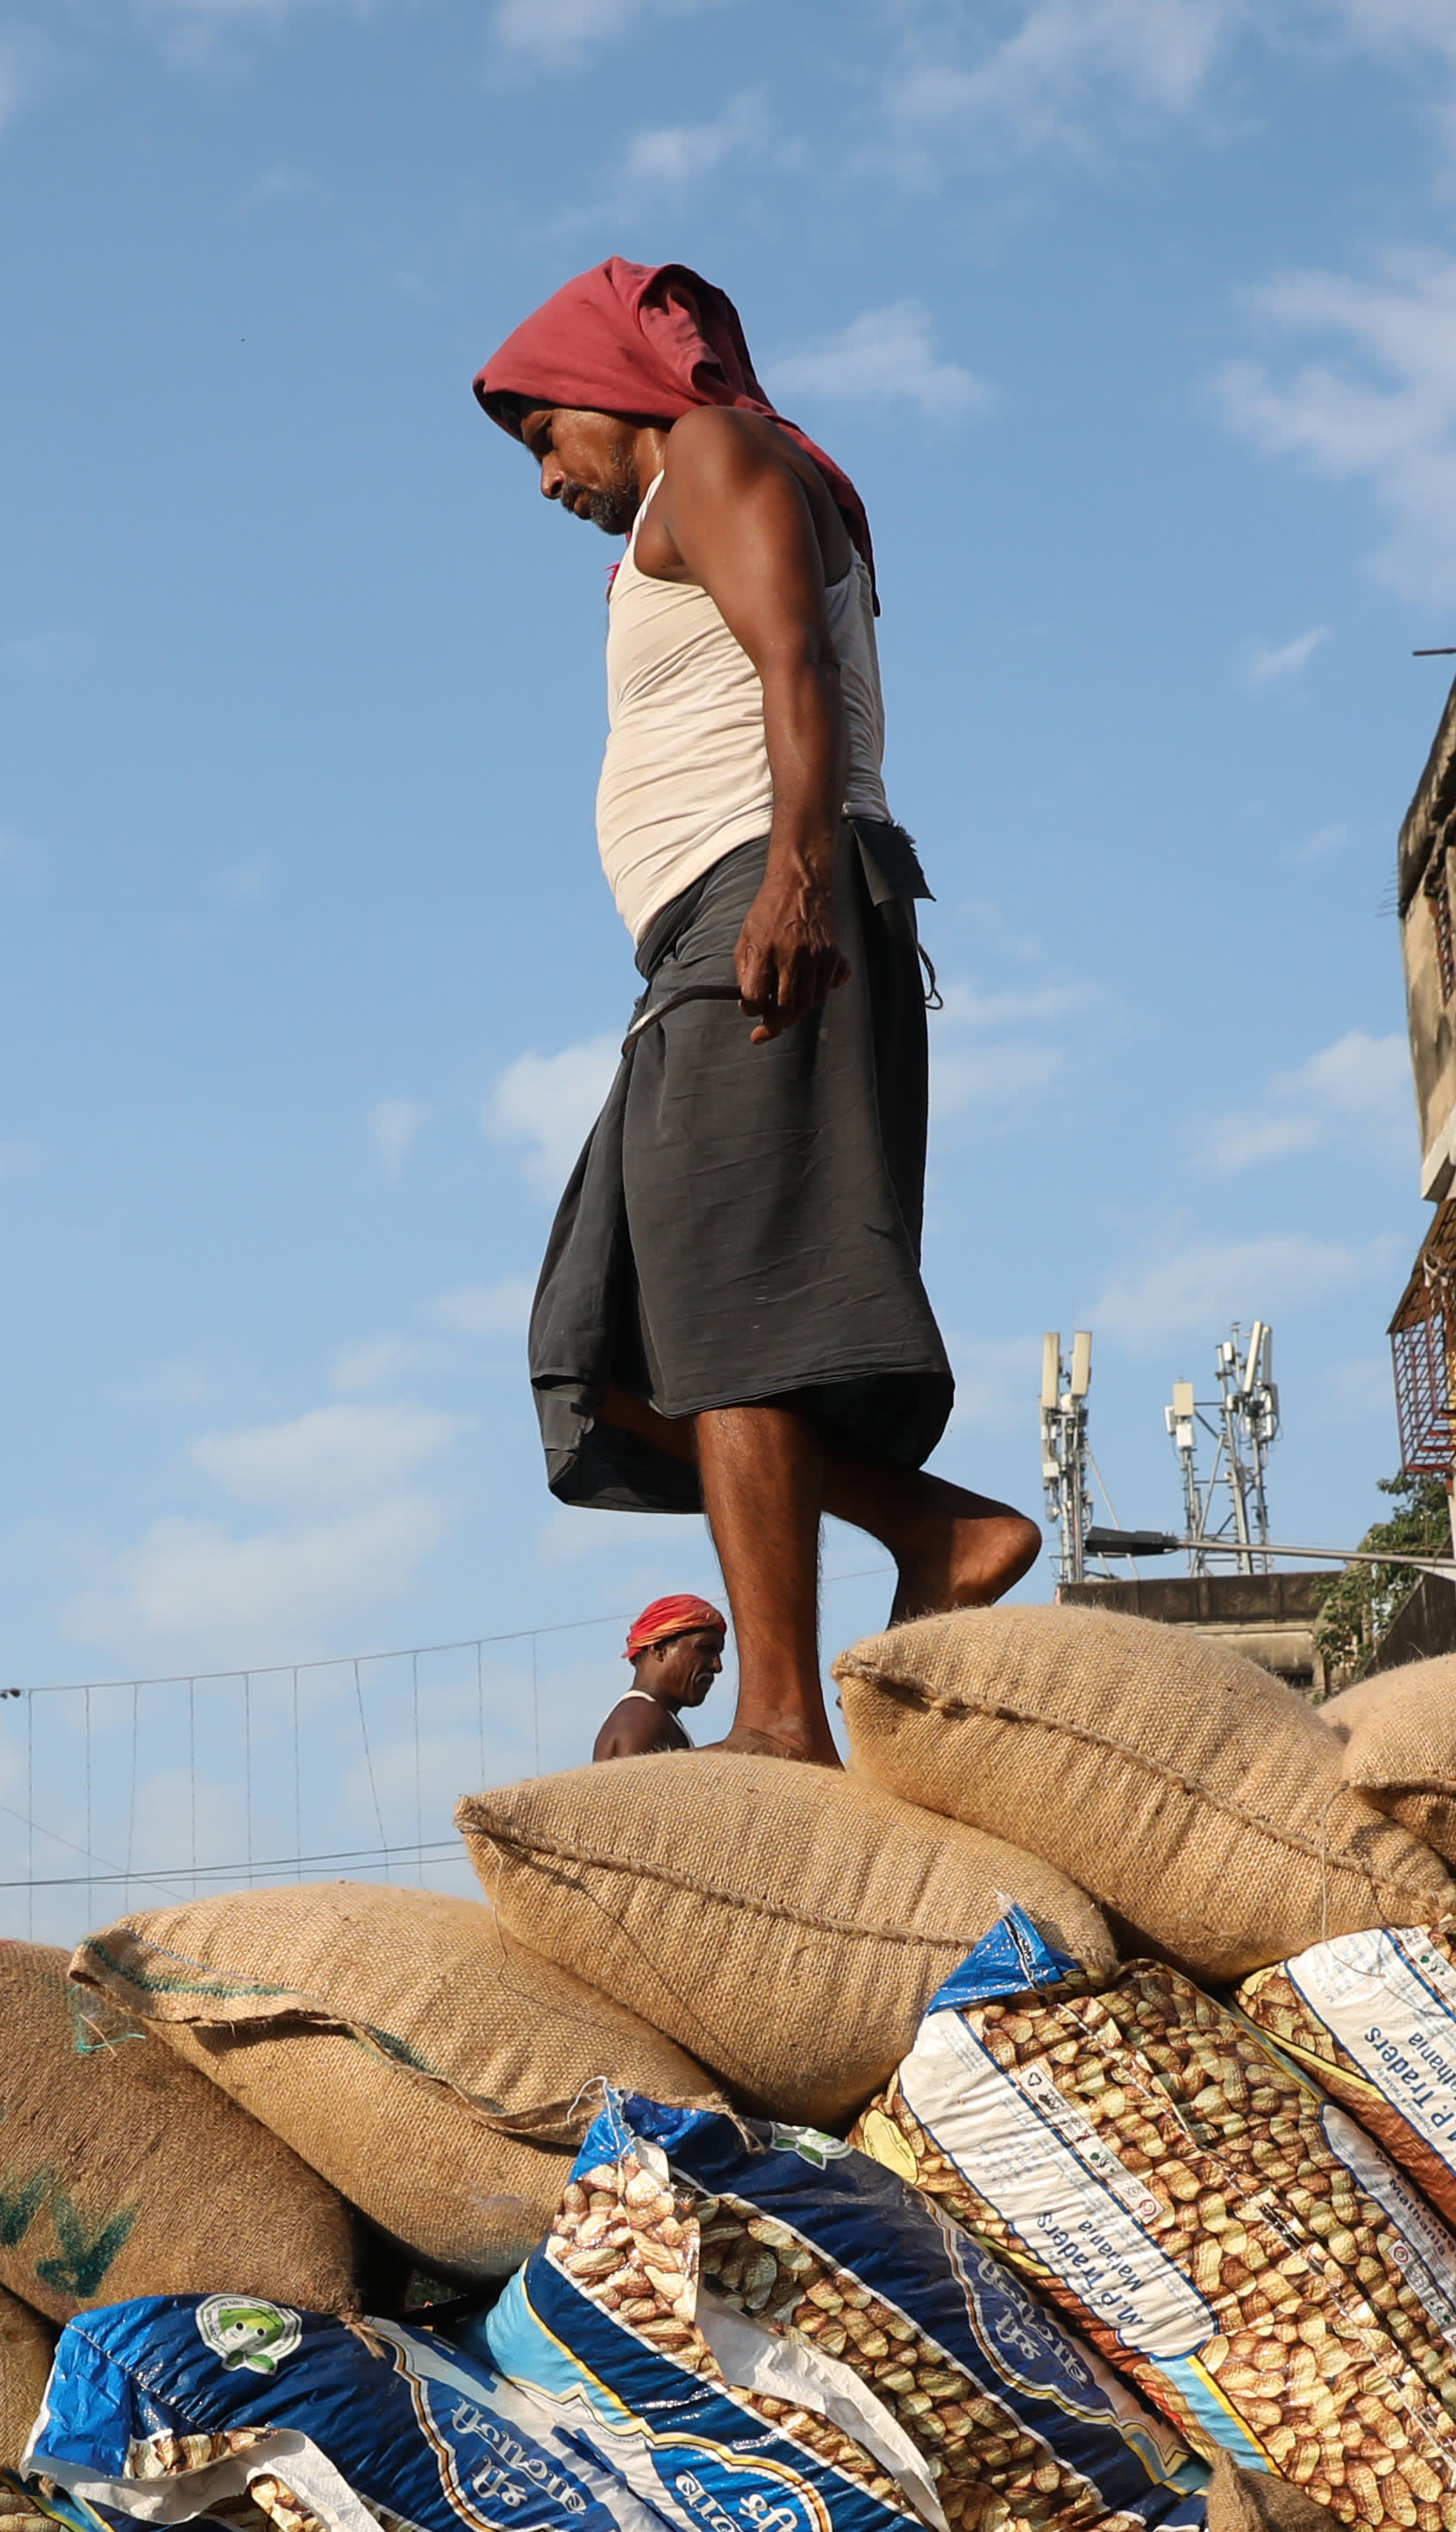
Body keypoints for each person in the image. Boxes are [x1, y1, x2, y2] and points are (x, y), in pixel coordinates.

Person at [478, 258, 1036, 1766]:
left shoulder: (717, 453)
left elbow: (798, 664)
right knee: (607, 1346)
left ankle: (782, 1715)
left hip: (761, 898)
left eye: (546, 434)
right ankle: (937, 1530)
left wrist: (794, 875)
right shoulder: (677, 506)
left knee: (725, 1322)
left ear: (617, 387)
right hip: (703, 934)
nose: (545, 478)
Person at [597, 1595, 727, 1759]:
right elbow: (631, 1784)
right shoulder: (643, 1718)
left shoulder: (645, 1715)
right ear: (659, 1648)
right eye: (705, 1649)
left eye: (718, 1654)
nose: (717, 1666)